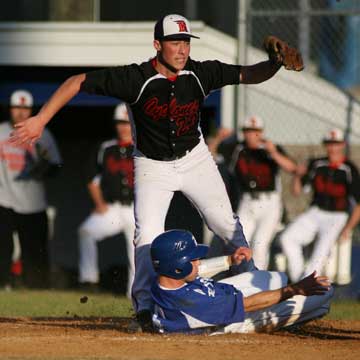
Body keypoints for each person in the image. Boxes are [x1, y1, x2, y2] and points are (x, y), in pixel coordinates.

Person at [8, 14, 303, 328]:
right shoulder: (135, 78)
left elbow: (248, 74)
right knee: (146, 235)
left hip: (195, 160)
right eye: (175, 42)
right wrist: (41, 119)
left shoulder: (201, 73)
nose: (182, 49)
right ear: (157, 45)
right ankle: (145, 309)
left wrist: (274, 64)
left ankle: (251, 284)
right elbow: (76, 82)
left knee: (227, 227)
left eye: (186, 42)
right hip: (152, 165)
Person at [150, 229, 333, 334]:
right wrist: (293, 289)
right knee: (325, 294)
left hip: (220, 297)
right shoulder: (192, 303)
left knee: (274, 277)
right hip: (235, 318)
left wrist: (229, 261)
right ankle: (297, 317)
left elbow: (197, 270)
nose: (198, 262)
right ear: (177, 267)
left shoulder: (165, 280)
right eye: (193, 260)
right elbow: (249, 304)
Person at [216, 115, 296, 270]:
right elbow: (211, 153)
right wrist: (218, 138)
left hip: (269, 202)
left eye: (256, 131)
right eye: (248, 131)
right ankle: (240, 279)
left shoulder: (270, 148)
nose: (252, 135)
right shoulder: (237, 148)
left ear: (262, 132)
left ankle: (259, 284)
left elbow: (292, 168)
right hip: (247, 201)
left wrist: (273, 153)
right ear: (243, 132)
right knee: (237, 243)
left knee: (259, 245)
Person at [280, 128, 360, 283]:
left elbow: (358, 204)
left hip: (337, 215)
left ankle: (305, 286)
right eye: (329, 143)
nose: (332, 147)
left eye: (336, 143)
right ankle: (299, 282)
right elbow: (297, 191)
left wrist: (348, 228)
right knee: (287, 238)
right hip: (316, 211)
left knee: (321, 252)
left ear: (342, 144)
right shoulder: (317, 164)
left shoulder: (349, 169)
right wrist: (298, 175)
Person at [0, 89, 62, 289]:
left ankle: (36, 290)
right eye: (17, 107)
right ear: (10, 109)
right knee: (2, 248)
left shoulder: (42, 134)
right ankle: (4, 285)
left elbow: (56, 166)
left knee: (35, 252)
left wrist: (43, 164)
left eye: (25, 108)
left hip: (33, 202)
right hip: (4, 199)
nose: (20, 112)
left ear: (31, 110)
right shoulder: (1, 131)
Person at [78, 103, 135, 296]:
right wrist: (99, 203)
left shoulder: (144, 146)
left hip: (137, 209)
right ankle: (89, 280)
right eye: (120, 122)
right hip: (113, 208)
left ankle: (134, 294)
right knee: (86, 231)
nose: (123, 127)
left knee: (137, 252)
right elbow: (91, 178)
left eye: (127, 122)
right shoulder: (106, 148)